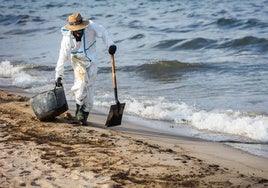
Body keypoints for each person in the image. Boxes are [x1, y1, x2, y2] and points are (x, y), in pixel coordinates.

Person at [55, 13, 116, 125]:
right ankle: (79, 110)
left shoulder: (91, 26)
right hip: (78, 61)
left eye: (80, 30)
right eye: (75, 31)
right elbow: (62, 58)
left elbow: (103, 32)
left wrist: (110, 45)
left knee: (90, 87)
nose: (78, 32)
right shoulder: (67, 39)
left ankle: (85, 114)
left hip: (92, 61)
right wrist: (59, 76)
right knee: (81, 84)